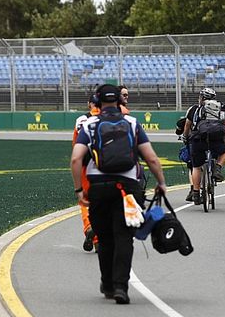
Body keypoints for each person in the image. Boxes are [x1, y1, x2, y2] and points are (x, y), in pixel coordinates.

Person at [71, 84, 167, 305]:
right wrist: (161, 182)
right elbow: (151, 158)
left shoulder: (90, 125)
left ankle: (107, 283)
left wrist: (79, 189)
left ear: (97, 101)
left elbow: (76, 159)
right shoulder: (132, 123)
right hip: (128, 187)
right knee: (124, 237)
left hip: (99, 187)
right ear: (120, 101)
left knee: (104, 238)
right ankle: (121, 287)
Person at [182, 87, 225, 205]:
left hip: (198, 139)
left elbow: (187, 126)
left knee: (196, 166)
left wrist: (185, 137)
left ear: (201, 98)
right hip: (216, 139)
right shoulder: (218, 108)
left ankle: (196, 193)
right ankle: (218, 168)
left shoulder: (194, 109)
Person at [72, 96, 100, 253]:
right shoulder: (110, 117)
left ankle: (90, 228)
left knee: (85, 199)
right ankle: (100, 239)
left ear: (90, 104)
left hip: (85, 164)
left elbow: (76, 143)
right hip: (106, 165)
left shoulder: (81, 120)